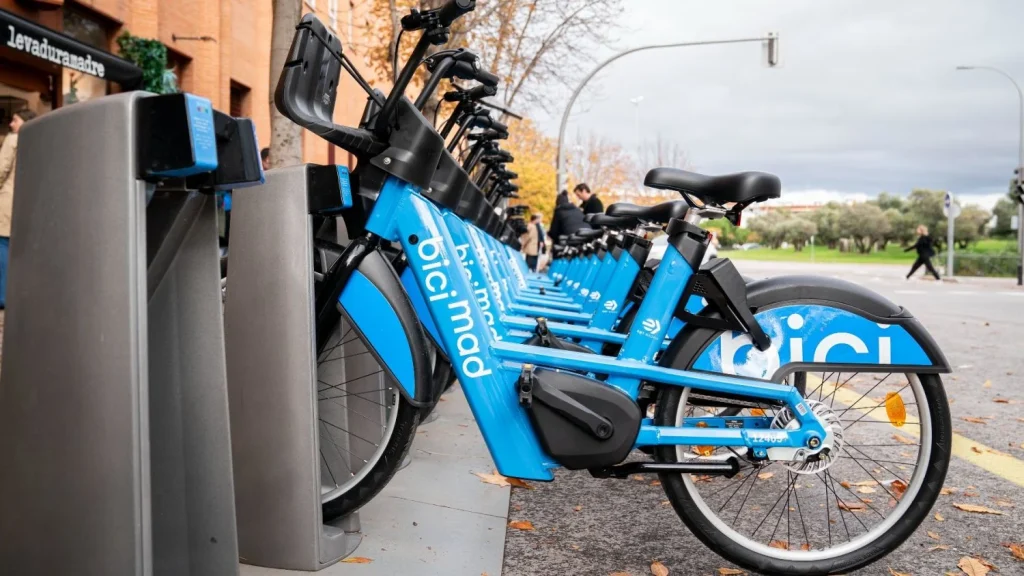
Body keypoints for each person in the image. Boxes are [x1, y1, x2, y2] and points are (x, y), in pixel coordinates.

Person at [0, 109, 37, 309]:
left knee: (3, 246)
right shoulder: (37, 141)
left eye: (15, 120)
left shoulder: (13, 140)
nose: (11, 124)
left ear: (25, 122)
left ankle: (3, 296)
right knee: (20, 250)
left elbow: (1, 169)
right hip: (27, 202)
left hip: (7, 201)